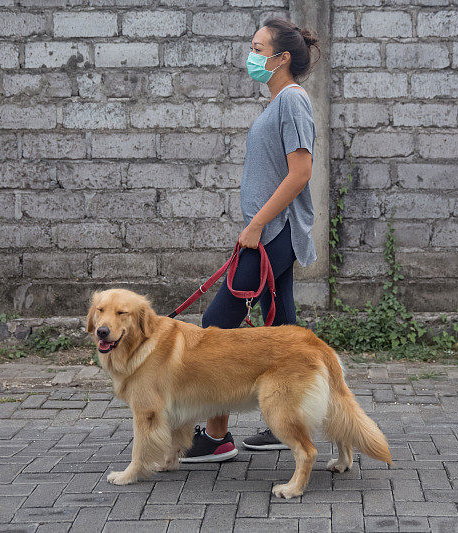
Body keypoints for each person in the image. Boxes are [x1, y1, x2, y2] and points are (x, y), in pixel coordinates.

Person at [178, 17, 322, 463]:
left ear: (282, 59)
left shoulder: (292, 102)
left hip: (272, 234)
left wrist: (256, 225)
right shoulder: (278, 102)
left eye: (259, 49)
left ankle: (217, 435)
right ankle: (289, 419)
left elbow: (300, 174)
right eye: (252, 47)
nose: (251, 55)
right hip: (269, 233)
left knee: (216, 332)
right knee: (283, 328)